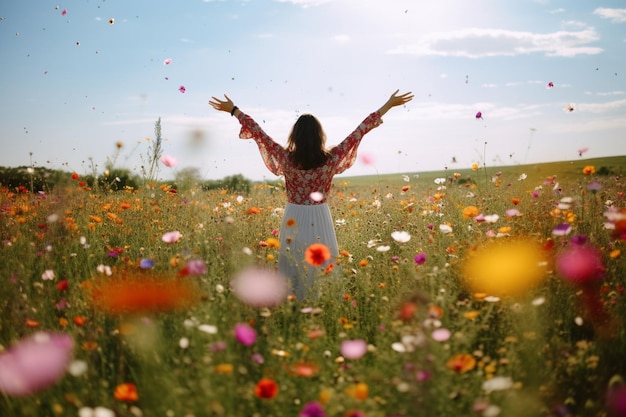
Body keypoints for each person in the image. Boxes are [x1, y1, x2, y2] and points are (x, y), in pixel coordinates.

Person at [209, 90, 414, 299]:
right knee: (322, 264)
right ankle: (325, 300)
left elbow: (259, 132)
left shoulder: (286, 158)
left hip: (293, 217)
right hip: (320, 217)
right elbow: (359, 131)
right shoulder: (331, 158)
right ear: (320, 135)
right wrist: (388, 105)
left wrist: (234, 110)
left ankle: (292, 302)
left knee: (293, 263)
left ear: (294, 136)